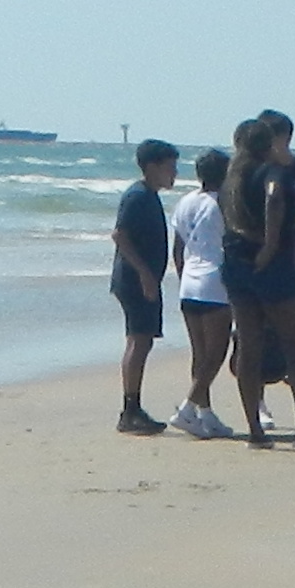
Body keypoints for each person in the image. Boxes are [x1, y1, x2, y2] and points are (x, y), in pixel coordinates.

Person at [219, 113, 295, 446]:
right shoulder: (271, 172)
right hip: (272, 265)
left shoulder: (232, 178)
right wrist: (270, 243)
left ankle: (254, 429)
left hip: (236, 265)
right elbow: (273, 197)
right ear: (268, 144)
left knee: (249, 344)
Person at [107, 138, 182, 434]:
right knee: (138, 341)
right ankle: (130, 410)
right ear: (152, 167)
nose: (174, 173)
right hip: (133, 280)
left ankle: (133, 407)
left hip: (141, 278)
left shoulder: (149, 195)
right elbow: (120, 236)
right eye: (170, 168)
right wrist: (145, 275)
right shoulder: (137, 196)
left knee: (143, 341)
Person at [168, 145, 237, 433]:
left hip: (190, 282)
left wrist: (184, 275)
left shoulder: (186, 202)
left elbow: (178, 247)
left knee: (199, 353)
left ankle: (204, 413)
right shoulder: (224, 202)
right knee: (215, 354)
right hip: (215, 281)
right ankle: (187, 408)